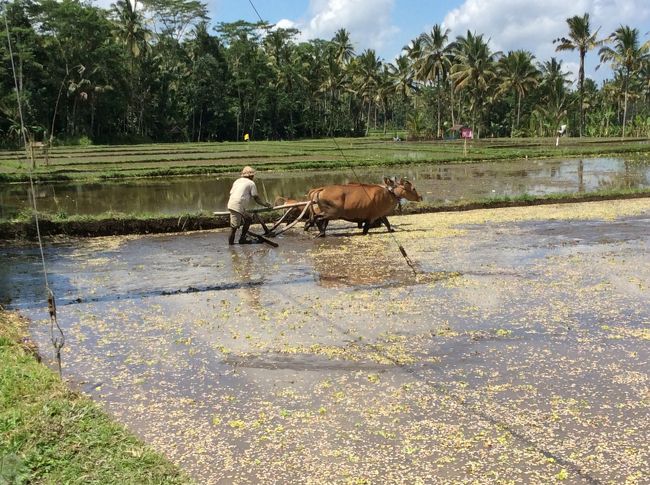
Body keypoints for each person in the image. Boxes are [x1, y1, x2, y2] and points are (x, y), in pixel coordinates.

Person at [227, 166, 272, 245]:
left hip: (233, 203)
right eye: (253, 175)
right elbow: (256, 197)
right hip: (237, 205)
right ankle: (231, 246)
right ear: (251, 176)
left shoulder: (237, 181)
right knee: (233, 228)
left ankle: (242, 238)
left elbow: (231, 193)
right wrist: (265, 204)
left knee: (248, 218)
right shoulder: (251, 183)